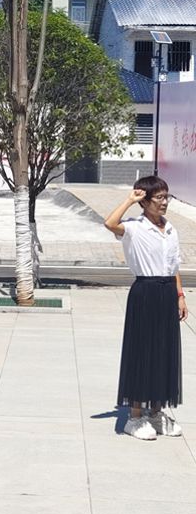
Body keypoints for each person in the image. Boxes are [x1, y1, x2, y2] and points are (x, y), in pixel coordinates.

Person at [104, 177, 187, 441]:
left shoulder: (170, 229)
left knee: (164, 352)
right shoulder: (134, 227)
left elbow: (174, 266)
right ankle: (135, 416)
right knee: (142, 352)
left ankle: (156, 412)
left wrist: (180, 296)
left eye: (166, 197)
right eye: (159, 197)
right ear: (145, 201)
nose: (164, 202)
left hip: (167, 292)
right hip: (145, 292)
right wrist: (130, 200)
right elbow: (110, 223)